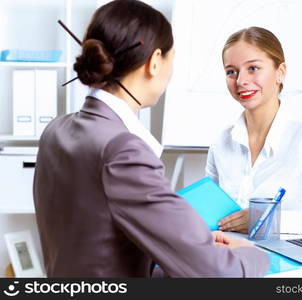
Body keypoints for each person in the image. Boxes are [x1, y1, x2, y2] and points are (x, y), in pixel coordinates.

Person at [33, 0, 269, 277]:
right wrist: (251, 255)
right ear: (155, 61)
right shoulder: (122, 150)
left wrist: (191, 248)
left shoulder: (56, 130)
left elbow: (100, 245)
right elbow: (217, 274)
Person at [205, 27, 302, 235]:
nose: (240, 81)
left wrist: (271, 219)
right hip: (228, 257)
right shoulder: (222, 141)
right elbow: (209, 213)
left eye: (253, 68)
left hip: (289, 260)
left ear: (280, 73)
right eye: (231, 71)